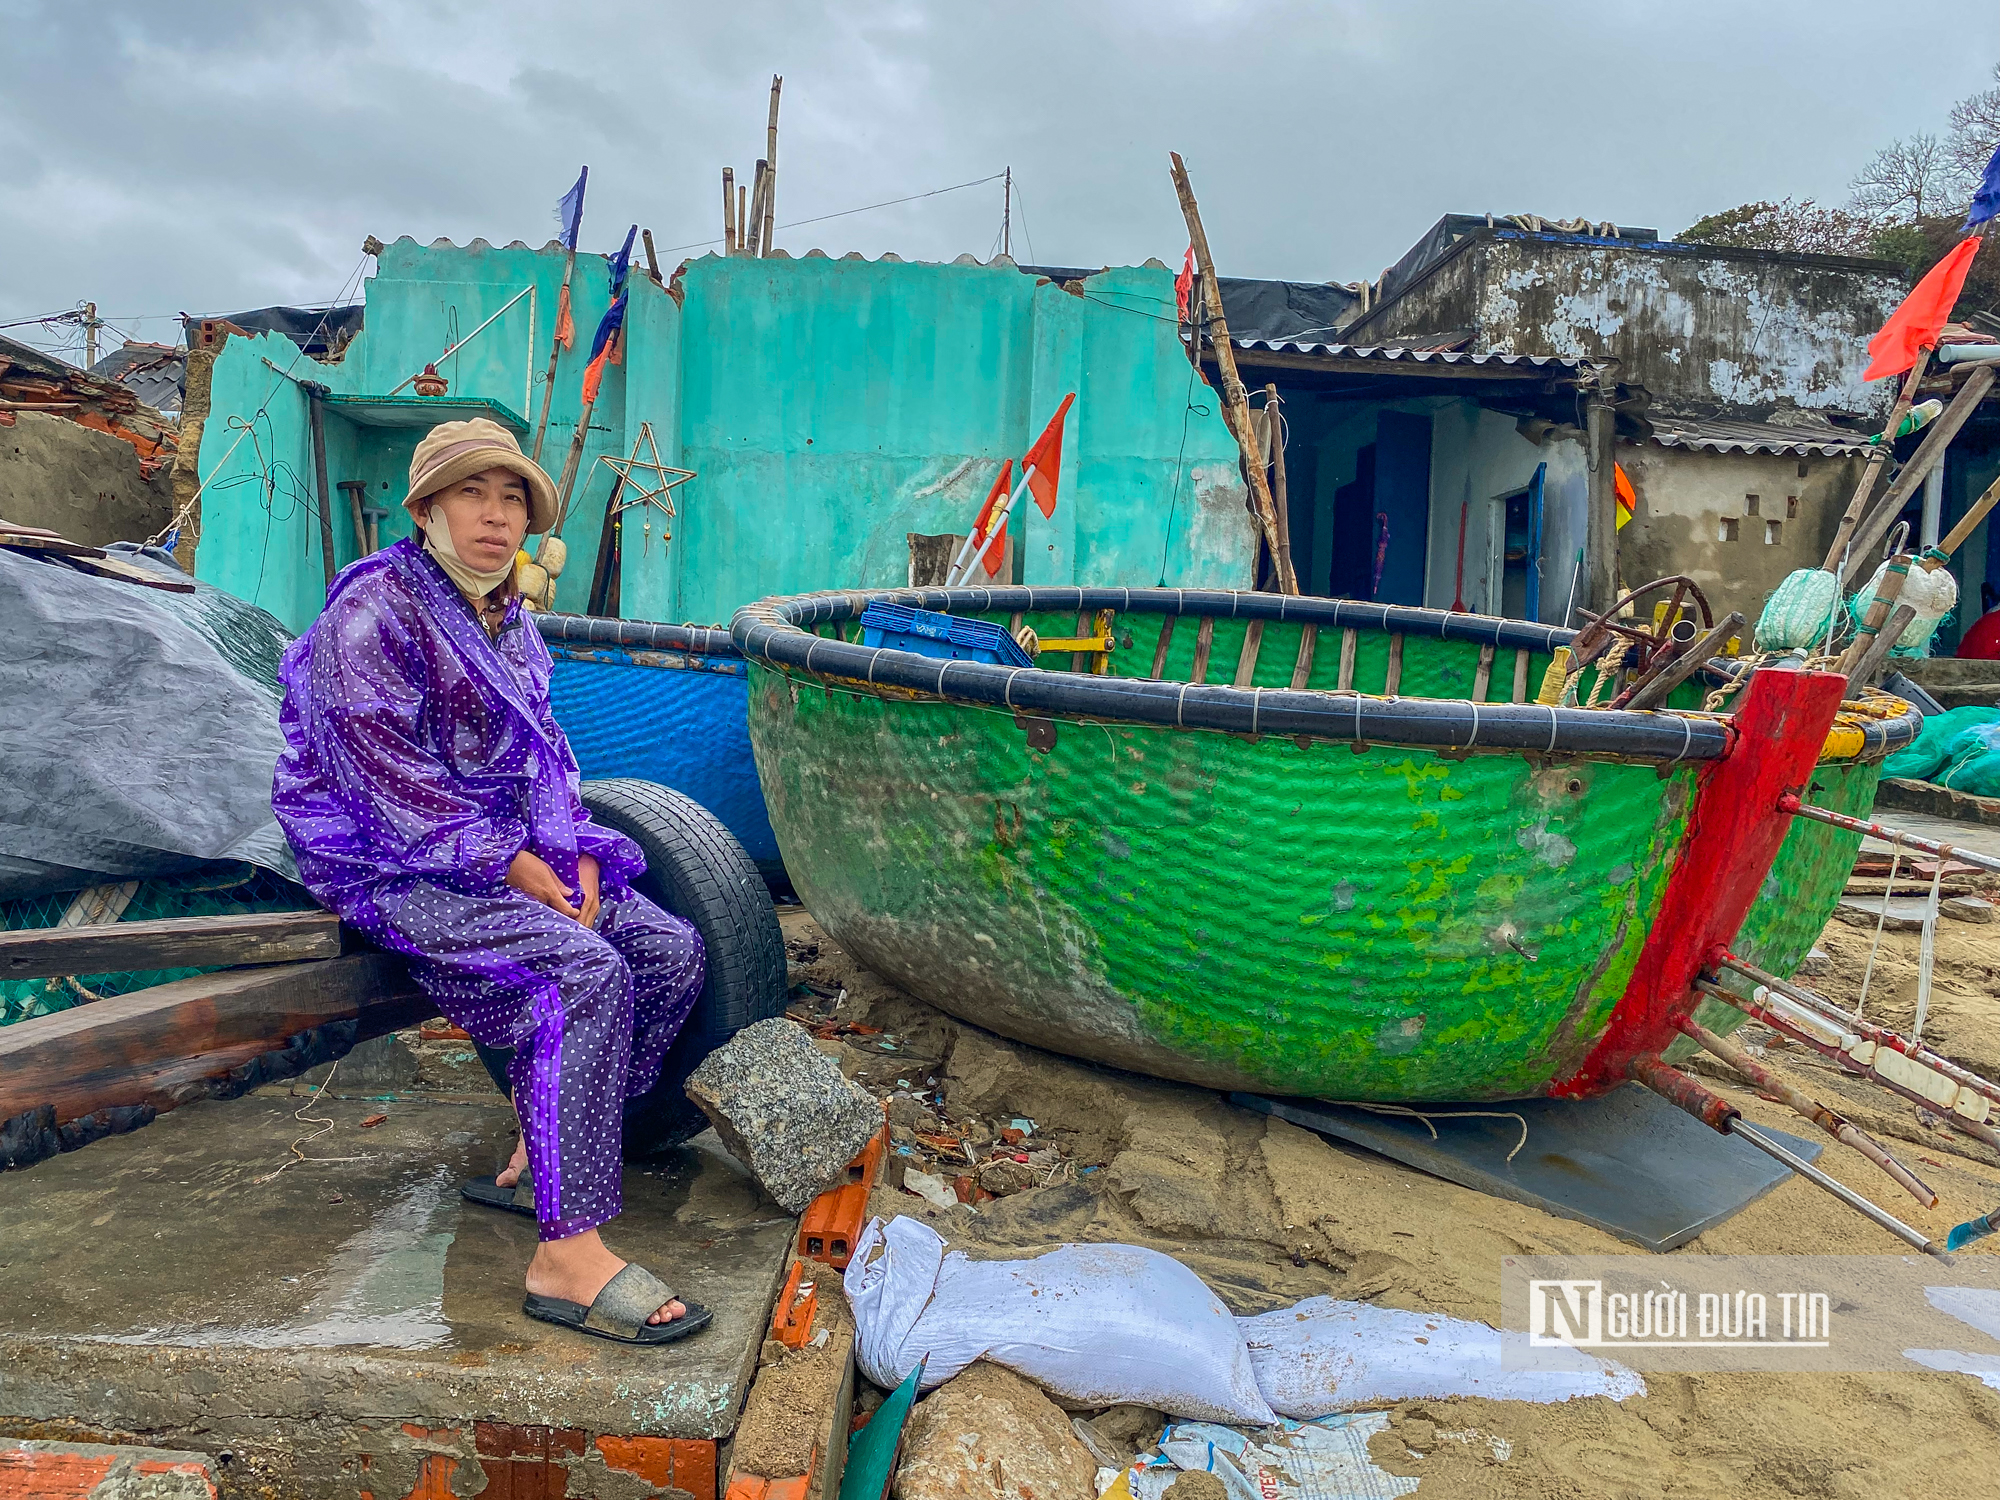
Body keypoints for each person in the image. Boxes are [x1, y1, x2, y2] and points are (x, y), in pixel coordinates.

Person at [271, 417, 710, 1346]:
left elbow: (548, 759)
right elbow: (381, 777)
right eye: (473, 493)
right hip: (383, 854)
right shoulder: (371, 615)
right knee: (579, 974)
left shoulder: (509, 621)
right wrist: (512, 868)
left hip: (504, 843)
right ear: (426, 509)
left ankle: (545, 1148)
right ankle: (567, 1257)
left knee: (667, 951)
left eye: (513, 498)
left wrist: (580, 856)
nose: (497, 516)